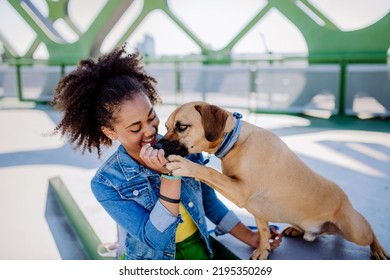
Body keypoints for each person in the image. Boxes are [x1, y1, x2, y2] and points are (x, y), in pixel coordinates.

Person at [52, 45, 281, 260]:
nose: (151, 131)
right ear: (110, 131)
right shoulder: (106, 183)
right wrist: (169, 175)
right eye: (135, 127)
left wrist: (251, 237)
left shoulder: (185, 147)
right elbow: (156, 240)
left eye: (151, 116)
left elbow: (209, 204)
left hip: (198, 251)